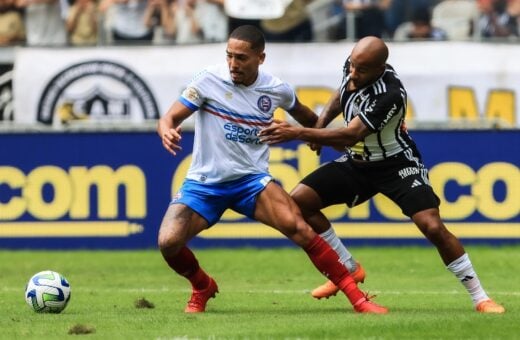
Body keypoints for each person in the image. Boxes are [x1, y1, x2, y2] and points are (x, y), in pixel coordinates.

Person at [259, 36, 506, 314]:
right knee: (299, 203)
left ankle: (480, 297)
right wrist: (319, 124)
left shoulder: (390, 93)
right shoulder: (354, 68)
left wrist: (298, 131)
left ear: (380, 67)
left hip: (396, 165)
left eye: (361, 69)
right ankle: (348, 267)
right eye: (352, 65)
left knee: (432, 226)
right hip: (358, 163)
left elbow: (352, 133)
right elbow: (340, 95)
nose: (353, 72)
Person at [156, 25, 387, 314]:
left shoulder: (276, 89)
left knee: (300, 228)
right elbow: (169, 117)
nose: (232, 64)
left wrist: (339, 142)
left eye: (241, 58)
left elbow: (310, 120)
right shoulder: (208, 80)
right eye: (229, 56)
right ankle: (202, 286)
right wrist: (167, 130)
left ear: (260, 58)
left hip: (251, 181)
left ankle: (358, 299)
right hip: (204, 183)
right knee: (168, 242)